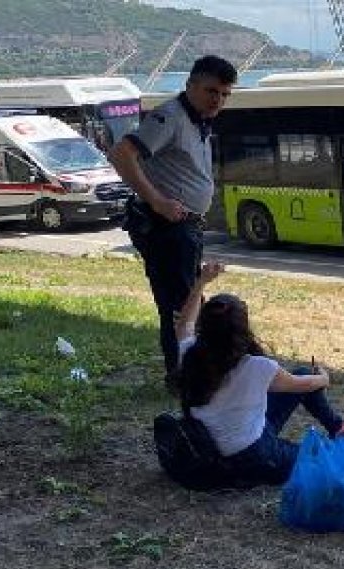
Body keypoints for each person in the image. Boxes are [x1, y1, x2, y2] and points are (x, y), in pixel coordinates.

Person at [110, 55, 237, 387]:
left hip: (185, 227)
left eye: (225, 94)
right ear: (190, 85)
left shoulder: (198, 121)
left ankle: (192, 371)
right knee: (182, 306)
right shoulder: (171, 117)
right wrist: (157, 200)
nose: (217, 100)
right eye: (211, 91)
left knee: (190, 300)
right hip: (166, 228)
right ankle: (185, 378)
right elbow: (122, 154)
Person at [175, 262, 344, 486]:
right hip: (251, 454)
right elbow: (304, 385)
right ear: (242, 329)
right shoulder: (257, 367)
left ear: (205, 325)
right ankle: (338, 429)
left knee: (303, 374)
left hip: (209, 446)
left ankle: (338, 428)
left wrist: (200, 283)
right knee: (323, 457)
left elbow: (184, 325)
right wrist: (325, 378)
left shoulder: (190, 354)